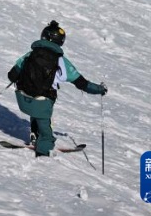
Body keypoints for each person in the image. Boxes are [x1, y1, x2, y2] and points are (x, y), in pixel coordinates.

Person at [7, 20, 107, 157]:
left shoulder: (30, 55)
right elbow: (82, 83)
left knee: (36, 105)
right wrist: (100, 89)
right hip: (42, 103)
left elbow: (12, 75)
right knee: (45, 125)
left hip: (22, 99)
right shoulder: (61, 61)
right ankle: (44, 151)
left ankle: (35, 135)